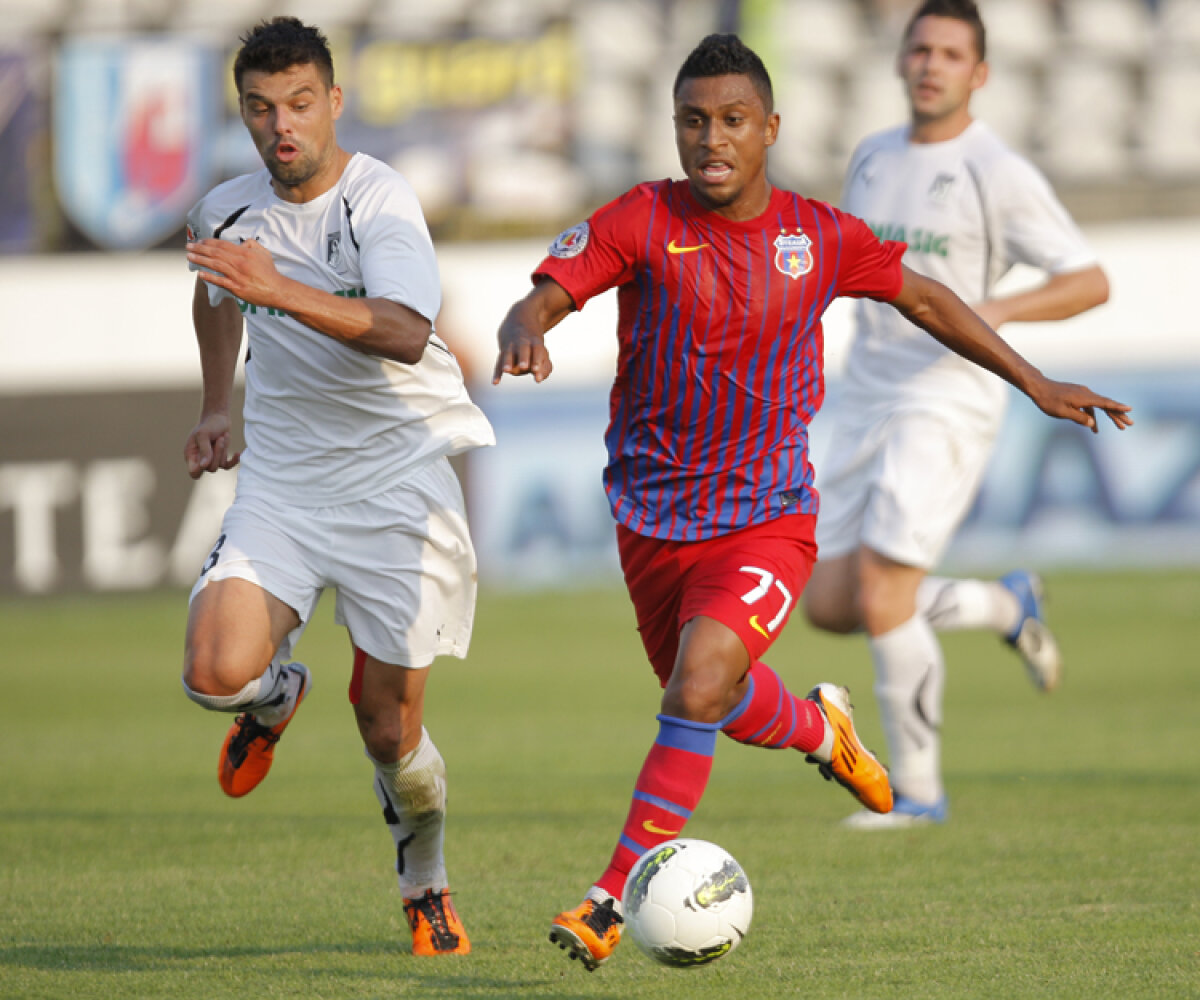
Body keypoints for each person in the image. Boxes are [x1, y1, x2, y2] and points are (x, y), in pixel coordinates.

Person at [492, 32, 1128, 972]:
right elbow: (544, 295)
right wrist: (525, 326)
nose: (713, 139)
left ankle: (610, 898)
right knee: (713, 697)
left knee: (698, 685)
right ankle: (824, 730)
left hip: (768, 518)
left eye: (733, 120)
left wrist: (1035, 381)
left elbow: (928, 299)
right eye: (694, 121)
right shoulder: (641, 218)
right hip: (649, 519)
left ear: (771, 130)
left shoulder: (818, 236)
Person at [180, 17, 494, 956]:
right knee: (213, 674)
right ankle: (275, 697)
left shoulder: (380, 201)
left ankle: (425, 882)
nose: (283, 126)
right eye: (261, 108)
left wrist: (276, 288)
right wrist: (216, 405)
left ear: (334, 103)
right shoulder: (224, 210)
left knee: (389, 735)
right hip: (284, 485)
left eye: (300, 103)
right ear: (242, 113)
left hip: (397, 489)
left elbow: (404, 330)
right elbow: (212, 296)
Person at [802, 0, 1118, 829]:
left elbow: (1089, 280)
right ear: (899, 60)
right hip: (865, 390)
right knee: (829, 604)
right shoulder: (872, 156)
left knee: (883, 591)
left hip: (947, 393)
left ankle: (916, 793)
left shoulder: (996, 170)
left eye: (950, 54)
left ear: (979, 74)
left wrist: (994, 314)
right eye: (920, 49)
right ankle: (1004, 606)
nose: (931, 64)